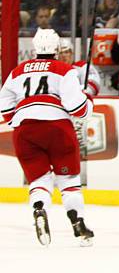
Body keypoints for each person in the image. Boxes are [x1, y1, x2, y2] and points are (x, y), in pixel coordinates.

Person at [0, 29, 95, 247]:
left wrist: (16, 120)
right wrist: (87, 99)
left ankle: (39, 208)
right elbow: (77, 108)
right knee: (69, 181)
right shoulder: (64, 69)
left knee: (39, 180)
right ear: (57, 48)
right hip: (57, 128)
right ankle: (78, 223)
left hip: (25, 131)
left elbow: (4, 101)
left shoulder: (18, 71)